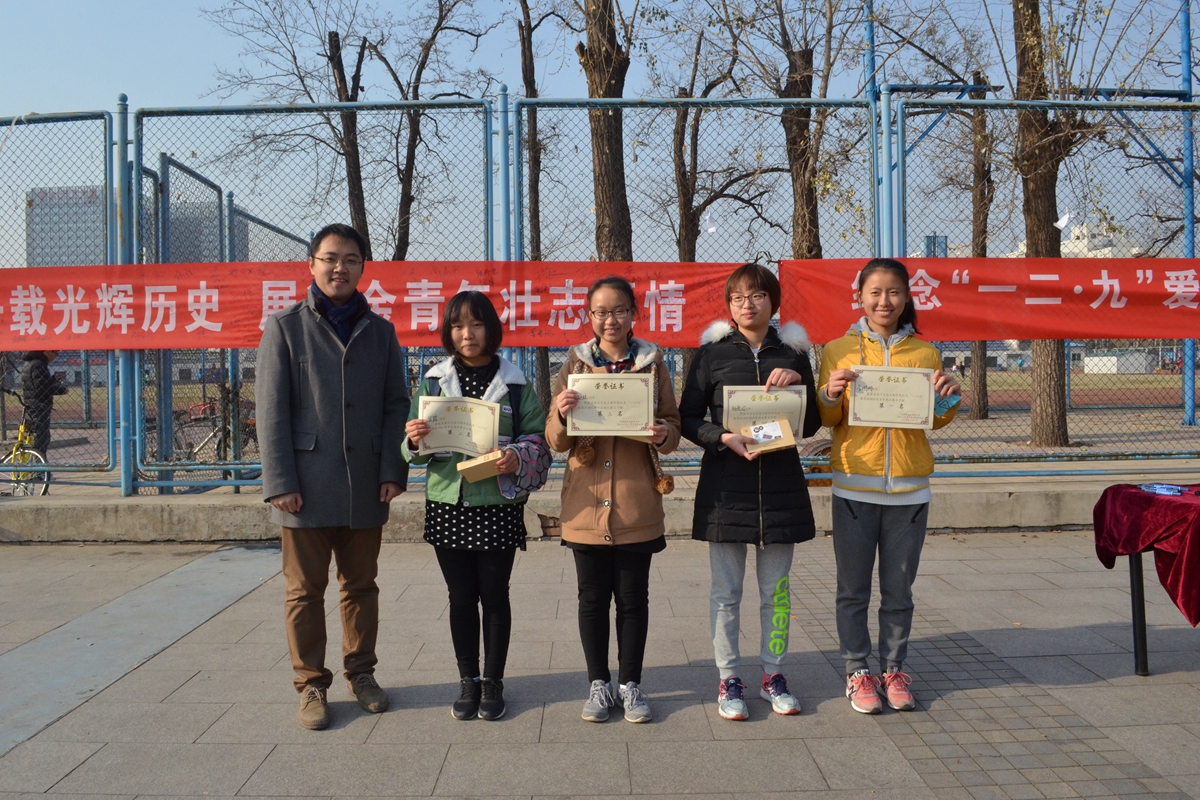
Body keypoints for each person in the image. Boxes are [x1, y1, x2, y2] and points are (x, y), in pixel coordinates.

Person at [256, 223, 410, 731]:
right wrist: (280, 481)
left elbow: (396, 405)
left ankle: (361, 674)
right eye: (330, 258)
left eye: (350, 259)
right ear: (311, 264)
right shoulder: (285, 327)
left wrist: (392, 470)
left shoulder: (381, 332)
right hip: (305, 484)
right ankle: (310, 684)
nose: (339, 268)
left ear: (363, 268)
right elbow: (271, 410)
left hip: (367, 482)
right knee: (304, 591)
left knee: (361, 585)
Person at [678, 263, 822, 721]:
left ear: (772, 302)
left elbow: (812, 422)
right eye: (738, 297)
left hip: (780, 487)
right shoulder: (711, 355)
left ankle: (773, 674)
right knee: (726, 593)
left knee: (776, 594)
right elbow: (687, 418)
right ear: (729, 305)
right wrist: (722, 437)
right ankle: (728, 678)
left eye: (758, 296)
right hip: (726, 489)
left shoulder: (794, 354)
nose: (748, 304)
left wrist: (798, 385)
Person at [817, 257, 960, 714]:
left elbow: (932, 420)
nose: (884, 301)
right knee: (853, 589)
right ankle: (858, 671)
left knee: (899, 591)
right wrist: (830, 393)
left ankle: (894, 668)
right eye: (875, 292)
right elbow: (827, 418)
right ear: (860, 296)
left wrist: (949, 398)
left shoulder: (925, 353)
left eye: (894, 292)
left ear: (907, 297)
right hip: (854, 487)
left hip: (909, 490)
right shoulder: (837, 350)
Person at [403, 291, 549, 721]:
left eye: (477, 324)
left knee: (495, 595)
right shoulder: (433, 382)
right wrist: (414, 439)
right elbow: (411, 451)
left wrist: (517, 455)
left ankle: (493, 682)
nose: (467, 334)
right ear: (449, 333)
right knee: (461, 597)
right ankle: (468, 680)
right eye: (458, 326)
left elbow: (537, 437)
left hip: (497, 503)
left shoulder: (516, 384)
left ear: (491, 329)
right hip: (448, 503)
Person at [544, 276, 681, 724]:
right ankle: (598, 684)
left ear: (633, 314)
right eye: (601, 312)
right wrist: (561, 412)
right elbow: (555, 440)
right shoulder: (574, 365)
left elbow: (673, 426)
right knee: (591, 599)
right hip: (586, 505)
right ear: (589, 316)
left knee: (633, 599)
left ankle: (631, 685)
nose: (610, 320)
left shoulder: (653, 365)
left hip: (635, 503)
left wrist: (662, 433)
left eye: (619, 310)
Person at [20, 350, 67, 460]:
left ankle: (37, 463)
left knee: (38, 436)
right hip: (39, 406)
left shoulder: (30, 363)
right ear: (47, 351)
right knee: (42, 438)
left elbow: (38, 384)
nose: (55, 356)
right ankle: (39, 465)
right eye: (55, 353)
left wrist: (53, 379)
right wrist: (61, 390)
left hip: (32, 404)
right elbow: (41, 389)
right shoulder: (39, 365)